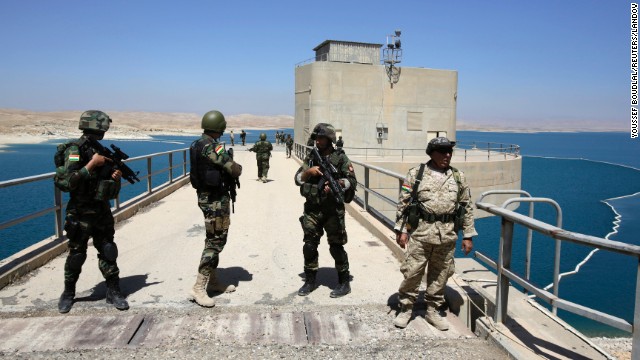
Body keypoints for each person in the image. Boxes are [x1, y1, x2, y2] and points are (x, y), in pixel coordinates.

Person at [392, 137, 477, 330]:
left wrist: (468, 235)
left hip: (447, 235)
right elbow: (403, 204)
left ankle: (432, 310)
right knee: (412, 272)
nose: (447, 155)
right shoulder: (416, 174)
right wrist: (401, 230)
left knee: (441, 275)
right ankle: (406, 308)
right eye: (443, 151)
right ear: (432, 153)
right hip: (421, 234)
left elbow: (467, 206)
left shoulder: (458, 177)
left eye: (450, 152)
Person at [55, 110, 129, 313]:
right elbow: (65, 182)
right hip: (79, 211)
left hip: (101, 209)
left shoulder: (101, 150)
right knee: (77, 254)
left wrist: (113, 177)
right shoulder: (75, 150)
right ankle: (68, 293)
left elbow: (110, 190)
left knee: (108, 250)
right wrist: (91, 165)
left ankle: (113, 291)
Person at [294, 123, 357, 298]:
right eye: (317, 138)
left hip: (332, 210)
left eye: (321, 138)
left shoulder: (341, 159)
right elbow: (298, 179)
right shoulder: (312, 158)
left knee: (336, 246)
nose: (318, 141)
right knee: (309, 245)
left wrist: (338, 184)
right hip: (313, 209)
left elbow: (352, 181)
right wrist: (309, 172)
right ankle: (310, 280)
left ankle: (344, 282)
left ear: (329, 139)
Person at [189, 110, 243, 307]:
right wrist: (236, 166)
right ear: (219, 127)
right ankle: (198, 287)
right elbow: (233, 169)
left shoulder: (197, 144)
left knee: (213, 238)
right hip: (214, 200)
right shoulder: (211, 147)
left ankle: (213, 282)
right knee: (215, 241)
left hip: (207, 197)